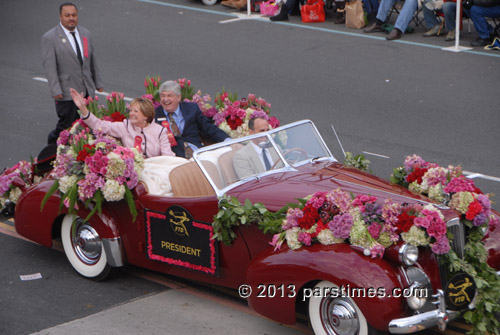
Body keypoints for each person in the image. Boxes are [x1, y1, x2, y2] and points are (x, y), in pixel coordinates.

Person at [42, 3, 103, 145]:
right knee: (66, 124)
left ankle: (78, 150)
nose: (71, 18)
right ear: (60, 16)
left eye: (74, 15)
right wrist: (55, 90)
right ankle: (52, 145)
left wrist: (98, 82)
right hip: (66, 90)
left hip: (86, 88)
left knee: (86, 122)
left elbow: (91, 59)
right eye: (67, 15)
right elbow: (50, 66)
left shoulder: (85, 34)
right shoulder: (50, 38)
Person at [70, 88, 174, 158]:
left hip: (154, 171)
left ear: (146, 116)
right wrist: (83, 108)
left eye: (135, 111)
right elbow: (99, 125)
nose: (131, 113)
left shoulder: (160, 131)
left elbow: (167, 156)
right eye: (131, 110)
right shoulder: (125, 126)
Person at [154, 81, 230, 159]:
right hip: (173, 158)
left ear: (179, 97)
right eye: (162, 96)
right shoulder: (155, 115)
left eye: (169, 96)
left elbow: (208, 127)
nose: (165, 99)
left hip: (196, 153)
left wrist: (227, 140)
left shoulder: (191, 109)